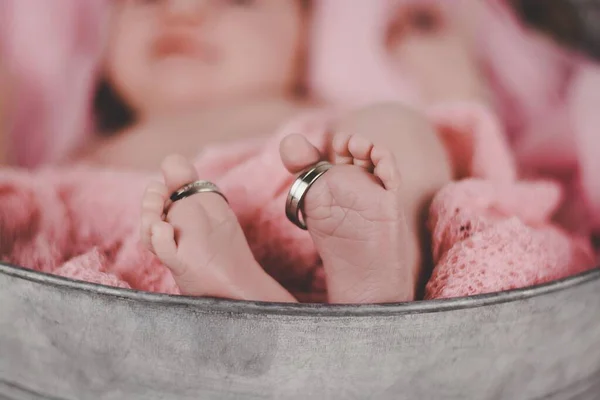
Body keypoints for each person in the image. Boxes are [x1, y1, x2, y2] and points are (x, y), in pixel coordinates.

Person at [78, 0, 487, 303]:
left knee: (398, 124)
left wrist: (449, 78)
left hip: (318, 217)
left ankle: (386, 272)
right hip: (163, 259)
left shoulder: (324, 116)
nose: (183, 9)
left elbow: (463, 136)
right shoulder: (88, 148)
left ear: (306, 36)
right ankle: (247, 298)